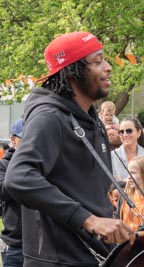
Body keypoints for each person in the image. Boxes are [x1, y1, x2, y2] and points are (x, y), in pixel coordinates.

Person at [4, 32, 135, 267]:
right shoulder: (49, 118)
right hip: (58, 260)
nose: (107, 68)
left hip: (94, 256)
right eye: (97, 61)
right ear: (73, 72)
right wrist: (89, 220)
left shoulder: (91, 119)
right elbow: (19, 177)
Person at [0, 119, 24, 267]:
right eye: (26, 137)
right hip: (16, 244)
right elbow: (3, 191)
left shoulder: (47, 162)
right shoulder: (4, 165)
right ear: (13, 140)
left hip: (47, 244)